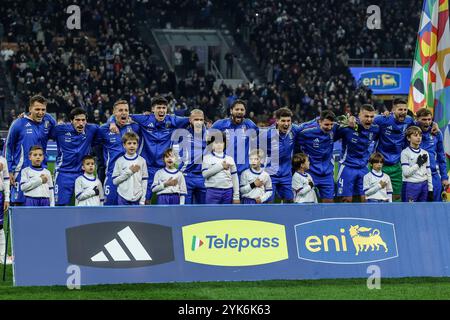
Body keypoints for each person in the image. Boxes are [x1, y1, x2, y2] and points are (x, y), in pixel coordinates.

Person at [109, 96, 189, 203]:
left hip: (164, 166)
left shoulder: (172, 120)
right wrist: (112, 122)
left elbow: (191, 118)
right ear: (153, 109)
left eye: (163, 108)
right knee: (145, 199)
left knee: (171, 195)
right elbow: (122, 115)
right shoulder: (144, 119)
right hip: (147, 166)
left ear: (167, 109)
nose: (161, 110)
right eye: (158, 107)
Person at [5, 95, 56, 205]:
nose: (40, 112)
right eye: (37, 109)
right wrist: (9, 170)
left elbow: (57, 132)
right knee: (18, 204)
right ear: (30, 109)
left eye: (43, 109)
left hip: (41, 170)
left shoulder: (48, 122)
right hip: (20, 170)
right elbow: (8, 147)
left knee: (41, 203)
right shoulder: (18, 123)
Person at [50, 108, 100, 206]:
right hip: (63, 173)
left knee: (86, 204)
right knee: (60, 206)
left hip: (83, 174)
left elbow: (106, 128)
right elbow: (45, 129)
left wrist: (112, 122)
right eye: (77, 120)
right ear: (71, 121)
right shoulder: (60, 129)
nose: (81, 123)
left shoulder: (92, 129)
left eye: (83, 120)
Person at [97, 100, 140, 205]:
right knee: (109, 209)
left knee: (130, 213)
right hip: (112, 176)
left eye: (126, 110)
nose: (124, 113)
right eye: (120, 110)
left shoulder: (135, 127)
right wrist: (111, 122)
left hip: (131, 176)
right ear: (114, 112)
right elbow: (96, 147)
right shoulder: (103, 129)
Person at [335, 104, 380, 202]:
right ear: (359, 116)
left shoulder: (375, 129)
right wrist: (350, 119)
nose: (369, 119)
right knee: (346, 199)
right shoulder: (347, 127)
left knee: (366, 198)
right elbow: (332, 132)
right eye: (366, 116)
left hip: (363, 168)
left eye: (372, 117)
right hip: (347, 167)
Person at [373, 98, 416, 201]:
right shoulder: (383, 119)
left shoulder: (409, 120)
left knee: (396, 196)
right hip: (381, 164)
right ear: (393, 110)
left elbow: (418, 126)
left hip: (397, 165)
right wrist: (352, 119)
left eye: (405, 110)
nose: (403, 112)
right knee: (378, 195)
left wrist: (433, 125)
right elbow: (366, 119)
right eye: (400, 109)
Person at [296, 110, 338, 203]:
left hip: (327, 173)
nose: (329, 127)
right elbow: (295, 136)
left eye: (331, 124)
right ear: (319, 121)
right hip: (310, 172)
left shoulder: (334, 128)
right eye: (326, 124)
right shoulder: (306, 131)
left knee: (329, 203)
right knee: (306, 201)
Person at [211, 99, 259, 176]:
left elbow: (259, 139)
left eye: (242, 110)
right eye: (237, 109)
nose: (239, 112)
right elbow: (208, 141)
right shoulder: (220, 124)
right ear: (231, 111)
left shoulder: (250, 124)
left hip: (243, 171)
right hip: (225, 169)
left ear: (245, 112)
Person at [264, 107, 301, 203]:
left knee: (290, 200)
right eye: (283, 121)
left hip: (286, 174)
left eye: (288, 121)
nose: (286, 124)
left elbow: (306, 126)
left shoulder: (294, 130)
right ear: (277, 121)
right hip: (270, 174)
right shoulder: (267, 134)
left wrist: (317, 120)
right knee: (268, 201)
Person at [415, 108, 449, 202]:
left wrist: (444, 178)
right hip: (415, 176)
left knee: (436, 205)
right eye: (424, 119)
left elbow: (441, 157)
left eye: (429, 119)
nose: (427, 122)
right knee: (416, 208)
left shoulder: (436, 133)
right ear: (417, 119)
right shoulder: (411, 131)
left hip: (433, 174)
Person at [177, 109, 207, 204]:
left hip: (203, 176)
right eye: (196, 119)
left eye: (201, 120)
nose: (198, 122)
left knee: (204, 209)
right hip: (186, 175)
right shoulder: (182, 133)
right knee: (185, 209)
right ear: (190, 120)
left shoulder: (209, 135)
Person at [202, 132, 240, 204]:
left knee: (226, 215)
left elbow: (235, 178)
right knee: (211, 214)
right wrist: (221, 166)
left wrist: (236, 196)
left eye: (221, 142)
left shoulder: (230, 159)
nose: (219, 145)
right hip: (212, 191)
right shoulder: (207, 158)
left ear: (225, 144)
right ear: (211, 145)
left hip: (228, 192)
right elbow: (205, 174)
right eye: (216, 142)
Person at [112, 132, 148, 206]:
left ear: (137, 145)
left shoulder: (142, 161)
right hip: (122, 197)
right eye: (129, 143)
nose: (132, 146)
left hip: (138, 197)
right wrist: (130, 172)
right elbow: (115, 181)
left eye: (134, 143)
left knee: (137, 218)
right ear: (124, 145)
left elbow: (144, 181)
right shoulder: (119, 161)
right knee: (123, 218)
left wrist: (142, 199)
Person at [401, 126, 433, 202]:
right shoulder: (405, 153)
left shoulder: (425, 153)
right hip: (410, 185)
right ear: (408, 138)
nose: (418, 138)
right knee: (409, 211)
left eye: (420, 135)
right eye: (415, 135)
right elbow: (406, 173)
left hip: (424, 185)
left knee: (423, 211)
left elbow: (428, 172)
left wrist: (430, 189)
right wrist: (418, 164)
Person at [0, 154, 12, 265]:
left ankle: (2, 256)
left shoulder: (3, 160)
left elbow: (6, 180)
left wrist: (7, 198)